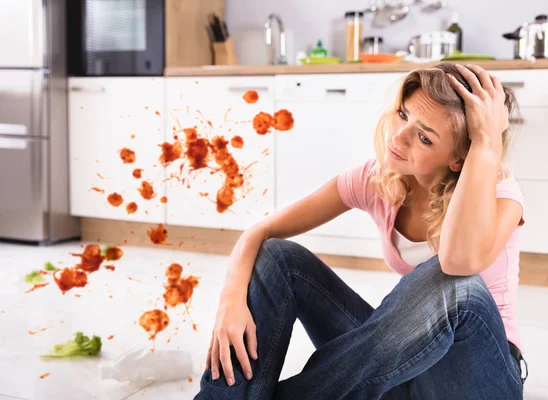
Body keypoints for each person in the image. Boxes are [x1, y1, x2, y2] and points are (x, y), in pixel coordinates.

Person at [195, 63, 529, 400]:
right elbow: (262, 232)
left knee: (456, 285)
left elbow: (458, 262)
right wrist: (230, 300)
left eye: (424, 137)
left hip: (476, 380)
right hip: (403, 370)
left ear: (459, 157)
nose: (398, 137)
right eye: (402, 114)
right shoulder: (379, 178)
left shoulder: (501, 192)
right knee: (279, 257)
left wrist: (486, 144)